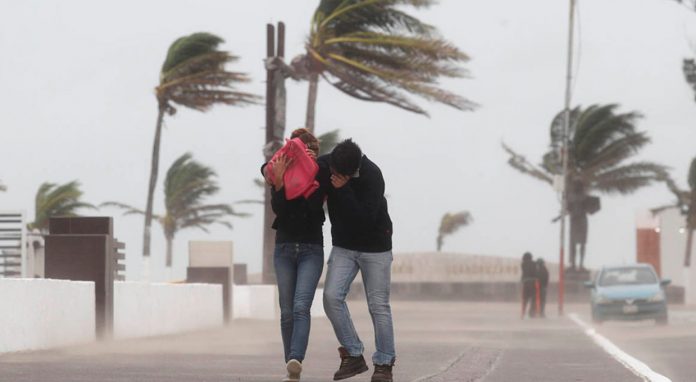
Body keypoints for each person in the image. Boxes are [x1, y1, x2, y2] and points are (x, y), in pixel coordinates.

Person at [319, 139, 396, 382]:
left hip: (375, 247)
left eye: (339, 175)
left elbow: (364, 220)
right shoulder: (330, 162)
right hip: (344, 246)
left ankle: (384, 363)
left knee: (378, 306)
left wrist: (344, 189)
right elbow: (304, 167)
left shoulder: (372, 175)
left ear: (351, 172)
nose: (332, 174)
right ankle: (353, 354)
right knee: (331, 297)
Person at [263, 128, 328, 382]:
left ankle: (296, 359)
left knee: (301, 306)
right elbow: (280, 210)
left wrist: (311, 170)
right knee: (286, 310)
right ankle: (291, 367)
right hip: (284, 248)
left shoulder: (320, 176)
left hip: (311, 249)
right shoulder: (280, 172)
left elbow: (312, 209)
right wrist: (279, 181)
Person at [520, 252, 538, 319]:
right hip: (533, 283)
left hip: (525, 283)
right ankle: (532, 313)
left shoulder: (523, 264)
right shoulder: (534, 264)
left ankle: (523, 312)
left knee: (525, 299)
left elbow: (524, 273)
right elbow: (535, 272)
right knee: (533, 299)